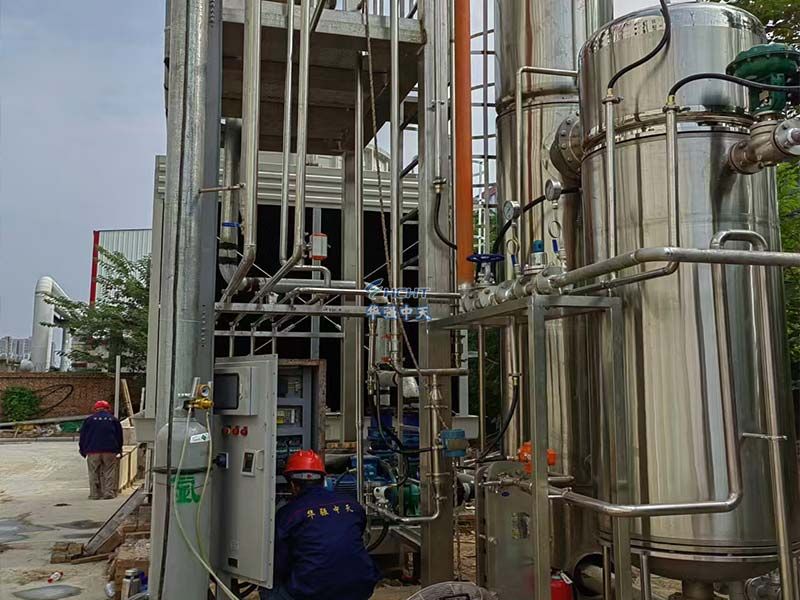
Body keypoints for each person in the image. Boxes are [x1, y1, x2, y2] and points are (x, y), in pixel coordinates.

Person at [262, 450, 381, 600]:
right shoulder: (351, 504)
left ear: (293, 485)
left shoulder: (288, 514)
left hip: (312, 592)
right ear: (323, 479)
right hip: (362, 586)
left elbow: (279, 565)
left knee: (267, 587)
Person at [79, 400, 123, 500]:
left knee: (93, 472)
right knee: (109, 471)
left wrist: (82, 450)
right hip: (110, 450)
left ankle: (94, 494)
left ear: (95, 409)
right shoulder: (113, 420)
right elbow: (119, 436)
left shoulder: (89, 420)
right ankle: (108, 493)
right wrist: (119, 449)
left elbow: (83, 436)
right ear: (108, 409)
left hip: (93, 450)